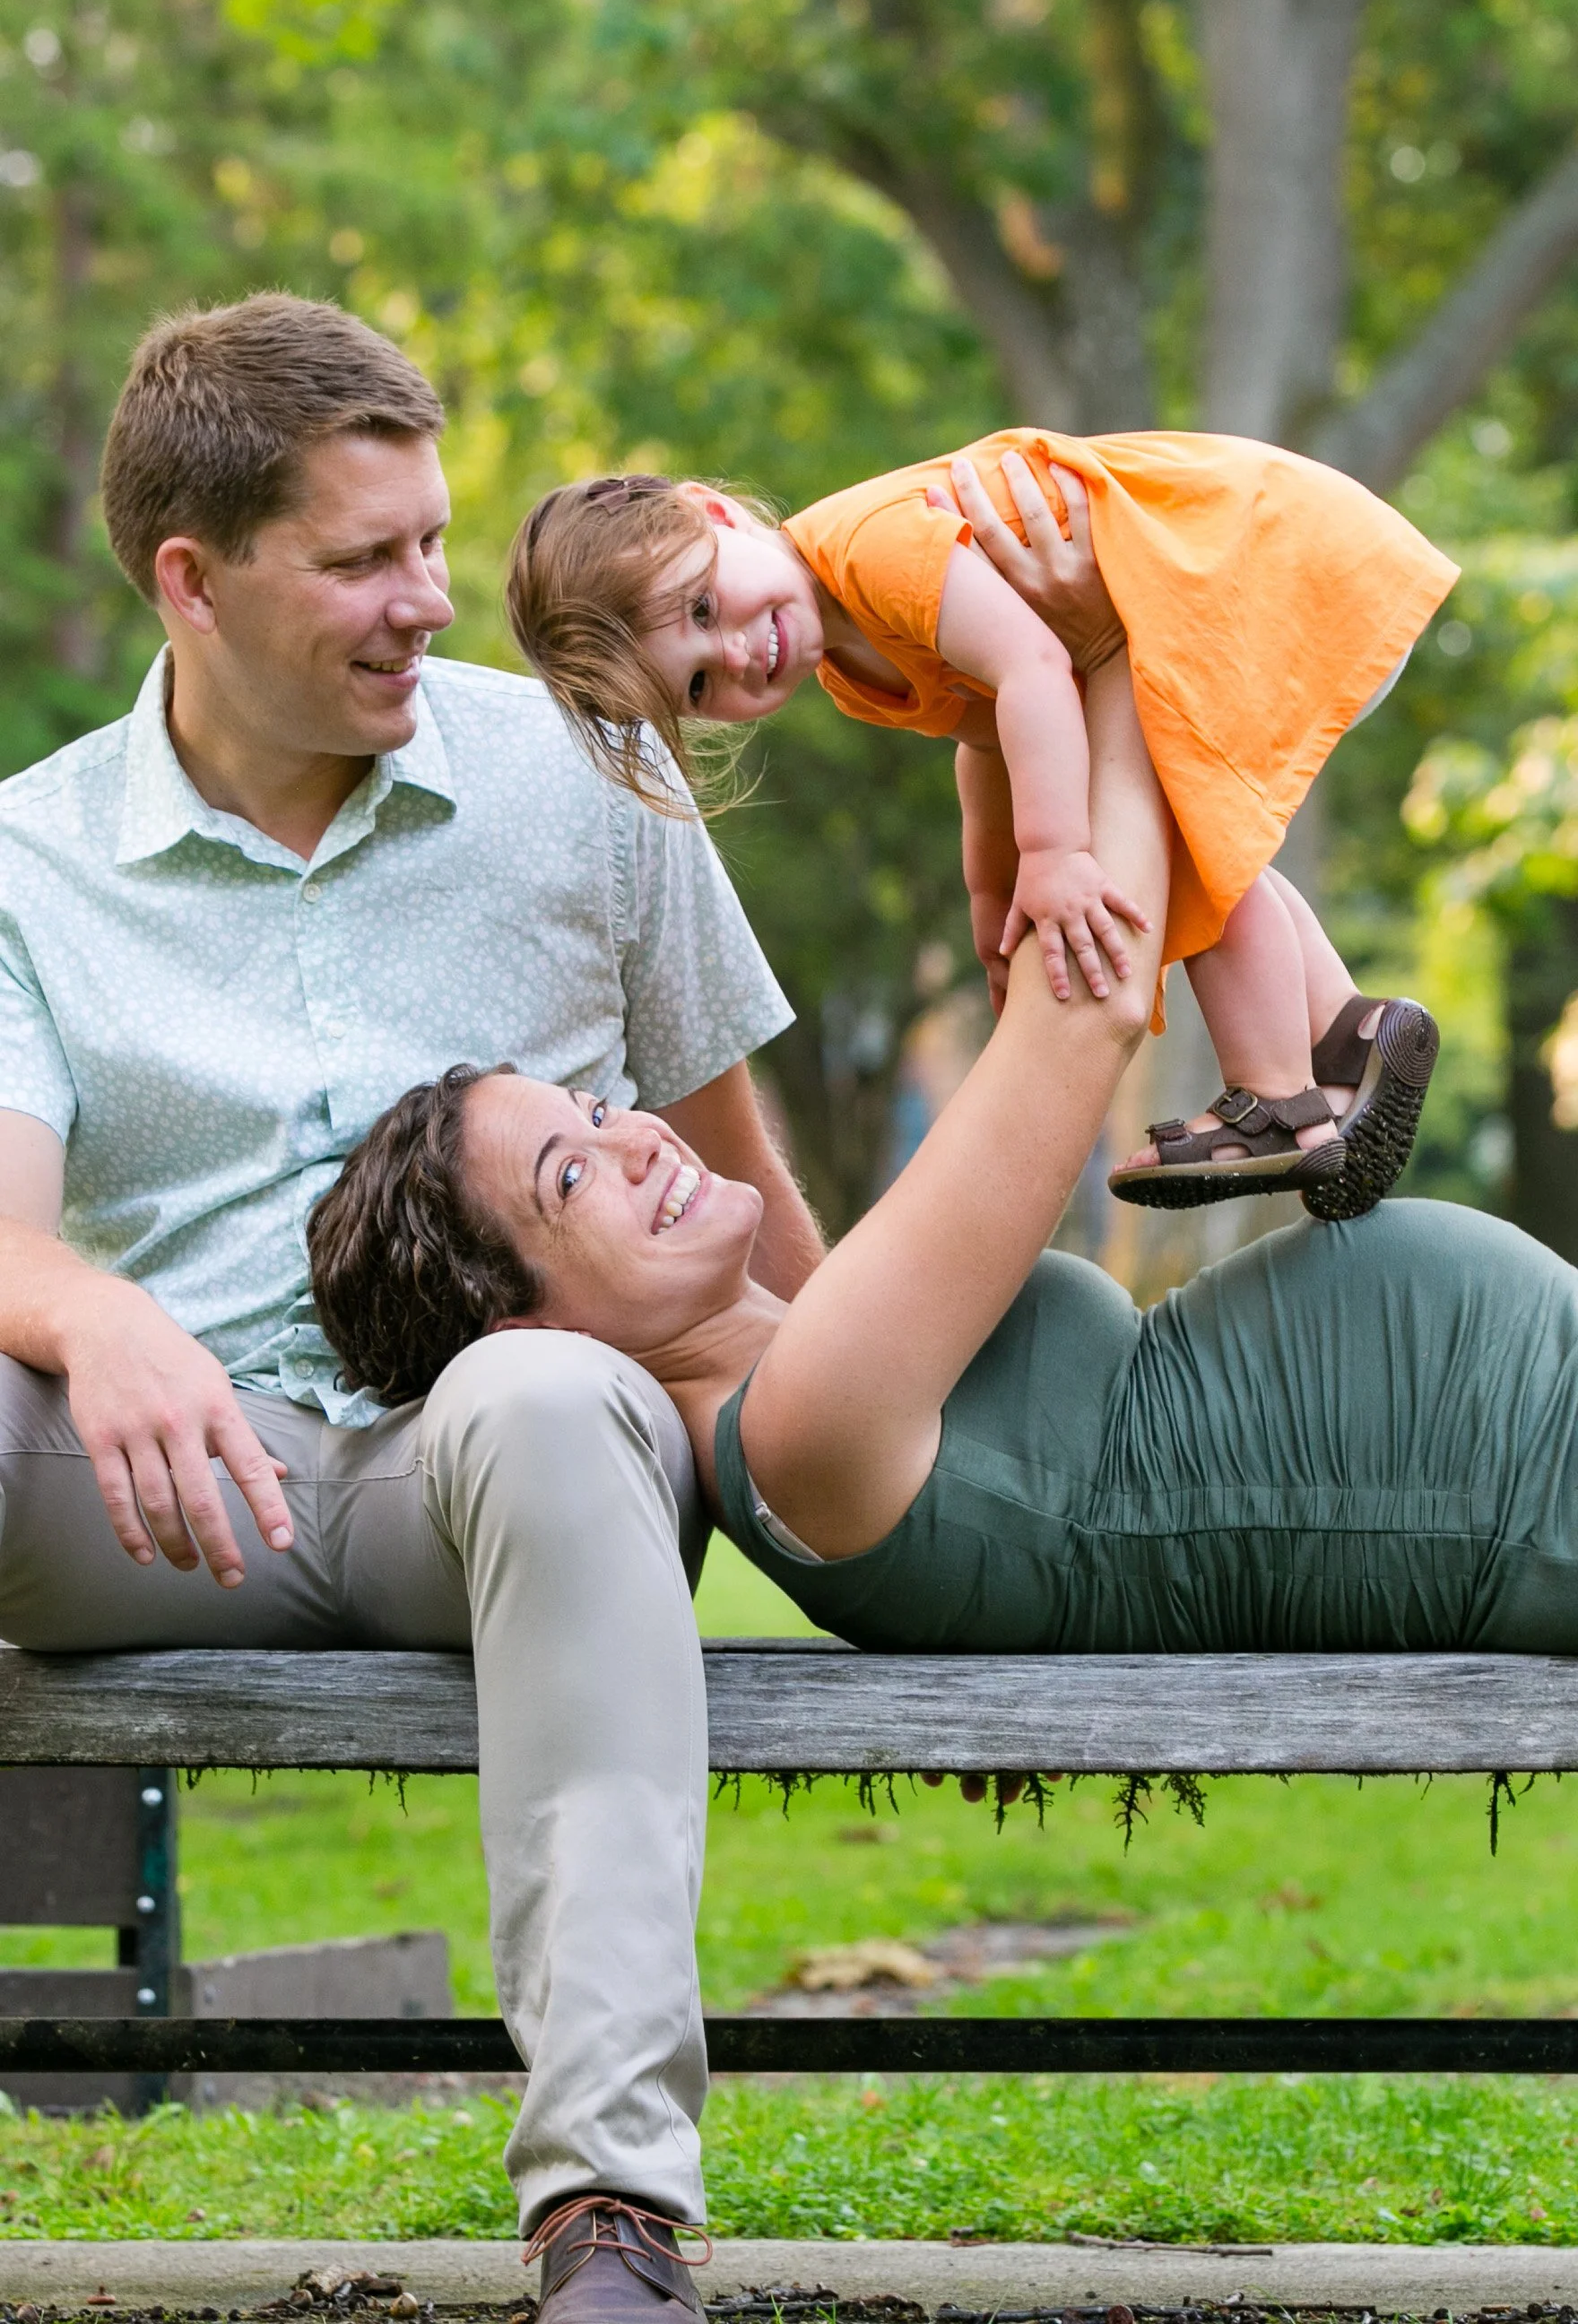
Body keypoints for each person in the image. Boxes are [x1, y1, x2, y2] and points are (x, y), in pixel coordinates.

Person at [0, 291, 831, 2320]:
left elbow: (757, 1196)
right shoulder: (24, 859)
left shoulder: (581, 775)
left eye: (435, 543)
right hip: (167, 1485)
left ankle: (609, 2216)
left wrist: (889, 1465)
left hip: (500, 1468)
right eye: (366, 560)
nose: (428, 600)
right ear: (191, 580)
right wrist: (104, 1323)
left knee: (548, 1400)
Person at [311, 645, 1578, 1687]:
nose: (637, 1138)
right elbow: (1082, 1008)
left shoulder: (811, 1368)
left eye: (592, 1110)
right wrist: (1117, 647)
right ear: (523, 1324)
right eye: (569, 1178)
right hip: (1524, 1483)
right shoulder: (804, 1425)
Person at [506, 430, 1460, 1219]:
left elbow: (1036, 670)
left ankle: (1278, 1099)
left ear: (713, 514)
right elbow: (989, 738)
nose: (738, 652)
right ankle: (1350, 1035)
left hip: (1252, 562)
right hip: (1245, 570)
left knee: (1175, 841)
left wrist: (1053, 854)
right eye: (701, 683)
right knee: (1172, 824)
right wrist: (992, 888)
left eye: (705, 605)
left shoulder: (868, 548)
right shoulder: (848, 659)